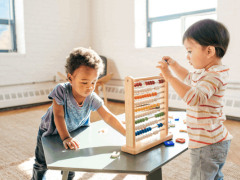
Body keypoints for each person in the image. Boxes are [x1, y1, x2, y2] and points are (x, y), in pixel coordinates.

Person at [31, 47, 126, 180]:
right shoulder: (61, 91)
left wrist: (127, 133)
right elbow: (58, 115)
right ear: (70, 78)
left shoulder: (92, 97)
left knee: (71, 166)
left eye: (93, 82)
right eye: (84, 82)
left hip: (74, 131)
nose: (90, 87)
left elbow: (108, 116)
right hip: (49, 132)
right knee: (41, 164)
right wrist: (65, 138)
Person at [157, 19, 233, 180]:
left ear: (209, 51)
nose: (187, 56)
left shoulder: (214, 75)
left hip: (207, 144)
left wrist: (169, 76)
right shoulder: (207, 72)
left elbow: (194, 97)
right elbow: (188, 78)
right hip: (214, 140)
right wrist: (175, 66)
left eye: (190, 51)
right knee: (215, 176)